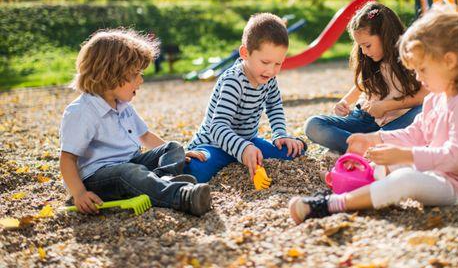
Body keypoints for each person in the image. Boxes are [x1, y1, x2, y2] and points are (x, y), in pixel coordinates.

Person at [289, 6, 458, 223]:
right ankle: (353, 188)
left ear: (450, 61)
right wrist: (375, 139)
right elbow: (416, 132)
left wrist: (405, 155)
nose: (417, 78)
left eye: (422, 70)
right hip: (439, 172)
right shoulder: (437, 96)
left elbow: (457, 157)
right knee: (383, 165)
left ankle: (331, 204)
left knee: (404, 179)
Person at [59, 29, 210, 216]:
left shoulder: (122, 105)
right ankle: (181, 195)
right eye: (135, 74)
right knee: (129, 172)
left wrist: (179, 153)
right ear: (110, 74)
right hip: (98, 179)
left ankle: (165, 180)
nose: (141, 80)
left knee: (173, 147)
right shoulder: (82, 111)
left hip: (130, 165)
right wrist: (79, 193)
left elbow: (145, 136)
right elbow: (67, 159)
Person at [185, 13, 305, 183]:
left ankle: (246, 154)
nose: (271, 70)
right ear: (245, 53)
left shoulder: (268, 78)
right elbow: (217, 127)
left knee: (292, 151)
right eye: (265, 62)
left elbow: (274, 106)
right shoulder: (233, 81)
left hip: (248, 141)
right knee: (197, 171)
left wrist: (280, 134)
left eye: (278, 64)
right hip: (214, 145)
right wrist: (243, 148)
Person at [304, 2, 427, 154]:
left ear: (385, 36)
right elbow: (363, 83)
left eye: (367, 45)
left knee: (424, 111)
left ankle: (357, 146)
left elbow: (425, 95)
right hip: (363, 119)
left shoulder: (411, 55)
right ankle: (370, 147)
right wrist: (345, 101)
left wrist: (386, 106)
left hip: (396, 123)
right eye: (360, 46)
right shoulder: (371, 58)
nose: (364, 51)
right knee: (314, 125)